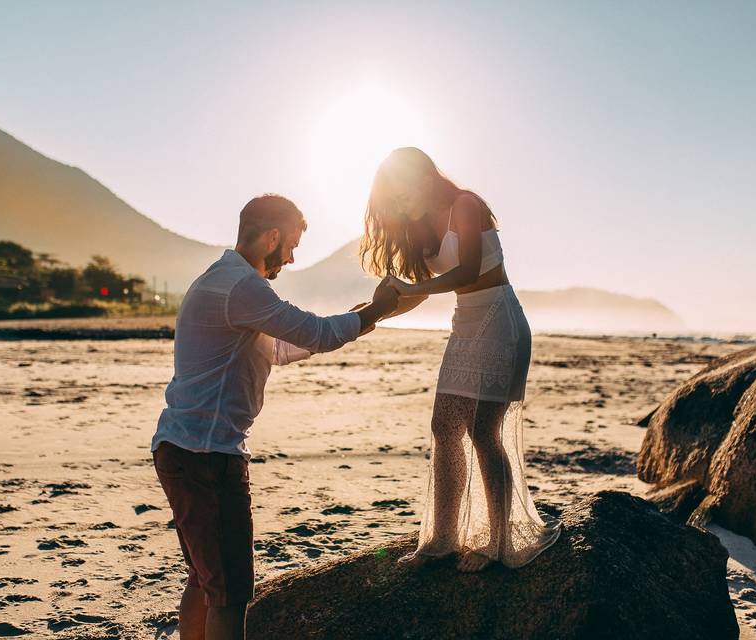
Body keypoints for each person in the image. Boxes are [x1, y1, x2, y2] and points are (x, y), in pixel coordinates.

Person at [152, 194, 399, 640]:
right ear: (271, 236)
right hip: (208, 454)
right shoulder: (242, 286)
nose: (291, 257)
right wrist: (377, 311)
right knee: (229, 595)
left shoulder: (222, 280)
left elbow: (280, 347)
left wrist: (363, 318)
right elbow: (316, 333)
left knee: (206, 579)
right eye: (292, 245)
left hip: (182, 447)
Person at [360, 148, 561, 572]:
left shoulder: (465, 205)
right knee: (444, 426)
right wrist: (373, 313)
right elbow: (418, 291)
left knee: (483, 431)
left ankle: (498, 542)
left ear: (423, 177)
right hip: (465, 325)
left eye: (401, 190)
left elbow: (468, 271)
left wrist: (409, 289)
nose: (398, 202)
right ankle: (443, 541)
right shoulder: (417, 228)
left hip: (499, 321)